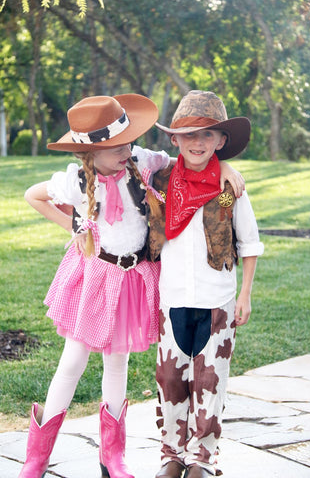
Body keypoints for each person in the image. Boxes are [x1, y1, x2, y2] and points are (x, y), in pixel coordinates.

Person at [19, 93, 243, 478]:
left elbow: (186, 161)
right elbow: (33, 195)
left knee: (117, 362)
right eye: (115, 146)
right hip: (96, 276)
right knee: (73, 360)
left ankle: (112, 457)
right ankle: (36, 458)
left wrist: (225, 171)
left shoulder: (142, 161)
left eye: (128, 140)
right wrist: (77, 228)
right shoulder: (75, 181)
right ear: (90, 154)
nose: (127, 148)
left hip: (132, 279)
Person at [149, 90, 264, 478]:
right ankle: (172, 453)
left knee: (210, 379)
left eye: (207, 135)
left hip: (217, 299)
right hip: (174, 296)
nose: (198, 143)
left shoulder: (229, 190)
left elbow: (249, 241)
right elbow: (121, 165)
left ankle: (202, 456)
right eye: (189, 135)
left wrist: (245, 294)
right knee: (170, 377)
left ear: (221, 141)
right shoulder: (162, 182)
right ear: (174, 140)